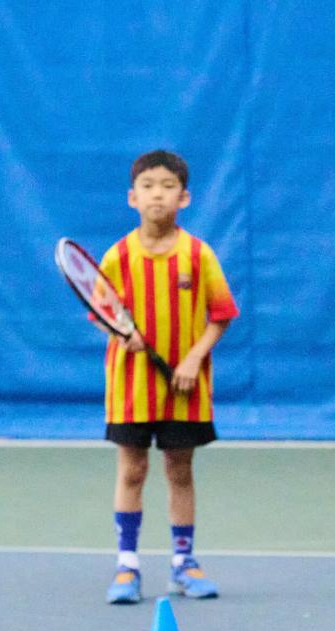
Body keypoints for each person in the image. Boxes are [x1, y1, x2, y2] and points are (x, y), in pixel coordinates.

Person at [97, 149, 239, 604]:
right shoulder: (117, 256)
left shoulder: (199, 255)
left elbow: (221, 313)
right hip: (129, 386)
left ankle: (183, 563)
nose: (157, 194)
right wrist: (122, 333)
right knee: (132, 470)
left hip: (185, 389)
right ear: (132, 197)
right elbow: (99, 310)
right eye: (148, 186)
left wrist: (194, 358)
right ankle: (127, 566)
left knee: (180, 470)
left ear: (185, 197)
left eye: (167, 186)